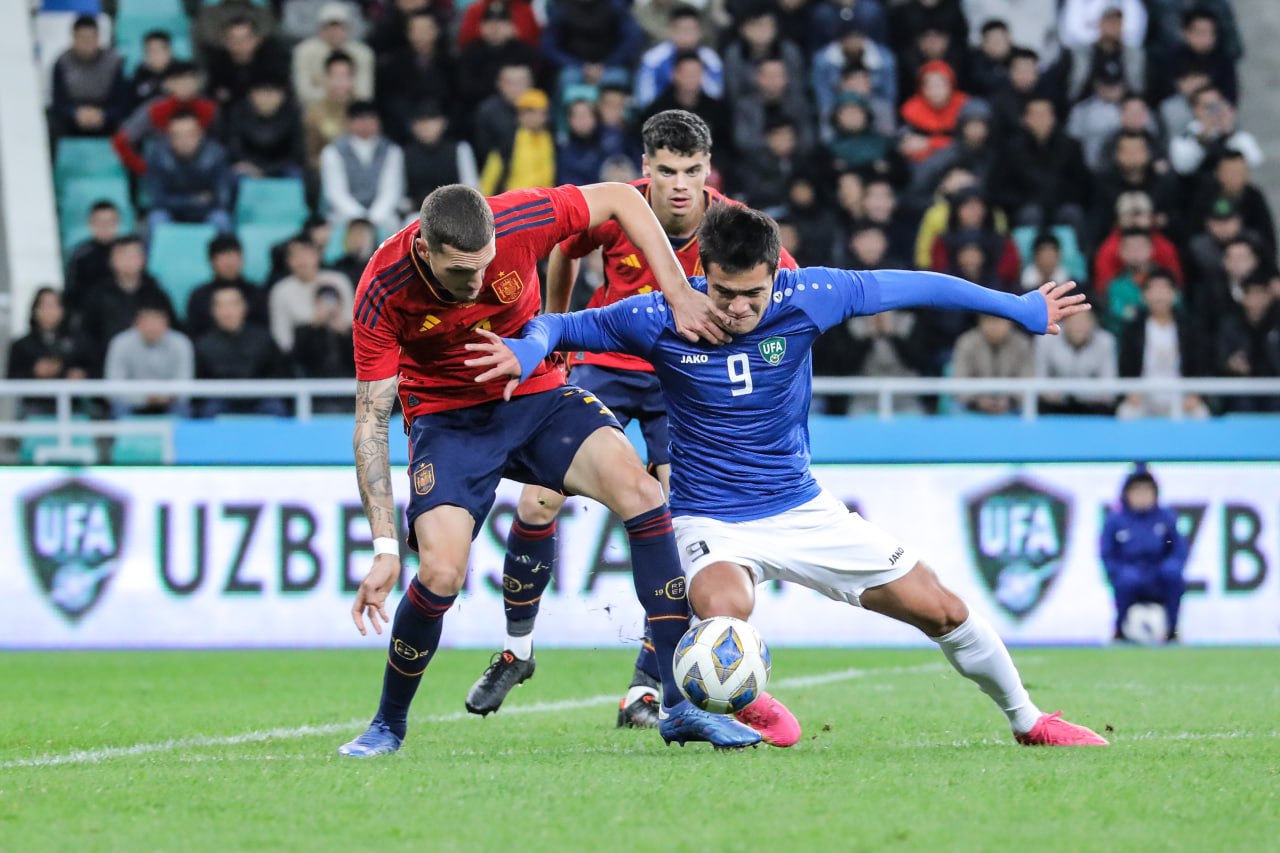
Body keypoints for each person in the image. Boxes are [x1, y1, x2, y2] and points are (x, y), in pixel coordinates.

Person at [469, 203, 1108, 748]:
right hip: (710, 519)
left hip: (802, 509)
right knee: (723, 613)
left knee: (941, 609)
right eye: (724, 293)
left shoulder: (810, 297)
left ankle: (1028, 720)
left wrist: (1016, 307)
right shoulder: (659, 316)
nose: (740, 308)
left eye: (754, 292)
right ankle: (740, 694)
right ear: (701, 276)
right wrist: (528, 350)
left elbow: (920, 285)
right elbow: (560, 324)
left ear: (776, 273)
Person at [337, 179, 742, 758]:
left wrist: (677, 291)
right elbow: (370, 423)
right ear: (425, 252)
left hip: (538, 393)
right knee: (442, 574)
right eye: (460, 275)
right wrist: (382, 546)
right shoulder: (383, 285)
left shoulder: (521, 218)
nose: (476, 286)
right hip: (449, 421)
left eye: (483, 269)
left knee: (644, 493)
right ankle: (387, 724)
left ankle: (678, 705)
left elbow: (624, 199)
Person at [463, 110, 796, 728]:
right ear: (646, 168)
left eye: (691, 171)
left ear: (707, 170)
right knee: (539, 501)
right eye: (666, 170)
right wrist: (555, 340)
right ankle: (518, 649)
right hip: (608, 363)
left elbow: (784, 294)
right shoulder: (620, 210)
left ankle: (647, 686)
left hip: (682, 380)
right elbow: (564, 254)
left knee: (671, 522)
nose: (678, 184)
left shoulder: (732, 228)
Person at [1101, 465, 1188, 644]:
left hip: (1158, 572)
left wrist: (1172, 564)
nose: (1141, 496)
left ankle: (1172, 631)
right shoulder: (1116, 521)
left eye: (1146, 491)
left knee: (1172, 574)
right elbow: (1108, 554)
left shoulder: (1165, 519)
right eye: (1136, 491)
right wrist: (1117, 571)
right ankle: (1120, 631)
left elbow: (1176, 547)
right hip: (1130, 571)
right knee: (1127, 579)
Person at [1117, 269, 1209, 419]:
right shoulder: (1133, 329)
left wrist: (1195, 394)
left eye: (1164, 289)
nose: (1159, 295)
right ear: (1144, 295)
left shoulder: (1189, 328)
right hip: (1143, 396)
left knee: (1201, 415)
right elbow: (1125, 365)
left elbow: (1200, 363)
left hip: (1180, 395)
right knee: (1125, 414)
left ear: (1174, 294)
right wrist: (1130, 392)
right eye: (1154, 289)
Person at [194, 284, 287, 416]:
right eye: (221, 305)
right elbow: (201, 384)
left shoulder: (263, 339)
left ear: (243, 307)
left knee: (275, 407)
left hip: (259, 398)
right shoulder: (204, 345)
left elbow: (277, 373)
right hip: (222, 400)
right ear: (213, 311)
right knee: (209, 410)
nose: (227, 311)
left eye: (232, 304)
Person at [319, 101, 406, 236]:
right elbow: (336, 194)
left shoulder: (392, 150)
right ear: (348, 122)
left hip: (381, 215)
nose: (366, 124)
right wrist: (359, 218)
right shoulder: (332, 151)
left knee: (394, 225)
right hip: (344, 214)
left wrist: (372, 219)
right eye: (360, 119)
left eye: (371, 119)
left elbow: (391, 192)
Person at [7, 289, 93, 416]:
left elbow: (93, 368)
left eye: (54, 305)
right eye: (45, 306)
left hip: (73, 407)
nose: (50, 311)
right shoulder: (21, 345)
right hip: (34, 407)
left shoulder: (79, 342)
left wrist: (79, 375)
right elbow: (11, 378)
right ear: (35, 310)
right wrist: (34, 372)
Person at [144, 111, 234, 233]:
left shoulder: (216, 154)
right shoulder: (158, 155)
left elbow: (223, 198)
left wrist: (182, 201)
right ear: (169, 137)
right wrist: (193, 200)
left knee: (221, 220)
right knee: (156, 219)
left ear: (201, 134)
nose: (184, 141)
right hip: (171, 212)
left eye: (190, 135)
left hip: (206, 212)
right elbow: (157, 198)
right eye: (177, 135)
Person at [103, 300, 194, 418]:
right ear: (136, 323)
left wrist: (165, 396)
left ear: (166, 323)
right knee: (118, 407)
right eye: (147, 322)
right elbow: (114, 385)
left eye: (157, 321)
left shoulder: (181, 343)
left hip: (170, 401)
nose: (153, 327)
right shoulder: (120, 343)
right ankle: (124, 436)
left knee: (184, 408)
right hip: (132, 401)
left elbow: (185, 382)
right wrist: (144, 397)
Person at [269, 235, 354, 354]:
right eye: (296, 255)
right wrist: (314, 322)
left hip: (343, 351)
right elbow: (282, 338)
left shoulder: (339, 281)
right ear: (287, 261)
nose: (302, 261)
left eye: (307, 254)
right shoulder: (280, 291)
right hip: (303, 356)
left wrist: (340, 325)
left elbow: (352, 322)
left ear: (318, 255)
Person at [50, 14, 129, 137]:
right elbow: (58, 102)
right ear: (73, 38)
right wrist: (75, 114)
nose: (87, 43)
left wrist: (103, 114)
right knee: (53, 124)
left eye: (91, 38)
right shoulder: (62, 62)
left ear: (98, 38)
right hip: (73, 116)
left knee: (127, 126)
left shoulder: (113, 62)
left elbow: (121, 102)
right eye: (82, 38)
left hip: (105, 115)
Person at [185, 235, 269, 341]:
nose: (229, 263)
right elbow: (193, 334)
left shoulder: (257, 293)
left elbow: (265, 331)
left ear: (242, 259)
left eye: (233, 256)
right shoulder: (198, 296)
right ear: (211, 261)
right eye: (223, 257)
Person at [1035, 309, 1117, 415]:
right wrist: (1053, 393)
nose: (1079, 326)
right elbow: (1039, 378)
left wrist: (1084, 395)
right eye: (1074, 321)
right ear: (1064, 322)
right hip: (1055, 403)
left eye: (1084, 321)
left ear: (1093, 323)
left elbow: (1109, 387)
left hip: (1092, 404)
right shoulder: (1045, 339)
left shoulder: (1106, 341)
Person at [293, 2, 374, 107]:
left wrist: (339, 95)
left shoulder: (362, 53)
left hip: (352, 109)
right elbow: (303, 92)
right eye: (329, 27)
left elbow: (364, 93)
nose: (335, 32)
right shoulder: (304, 51)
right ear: (320, 29)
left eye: (339, 27)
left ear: (347, 29)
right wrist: (335, 94)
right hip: (315, 108)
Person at [63, 200, 122, 315]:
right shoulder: (80, 255)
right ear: (90, 223)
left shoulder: (126, 252)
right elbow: (71, 293)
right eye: (100, 222)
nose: (105, 227)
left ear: (118, 224)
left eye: (110, 222)